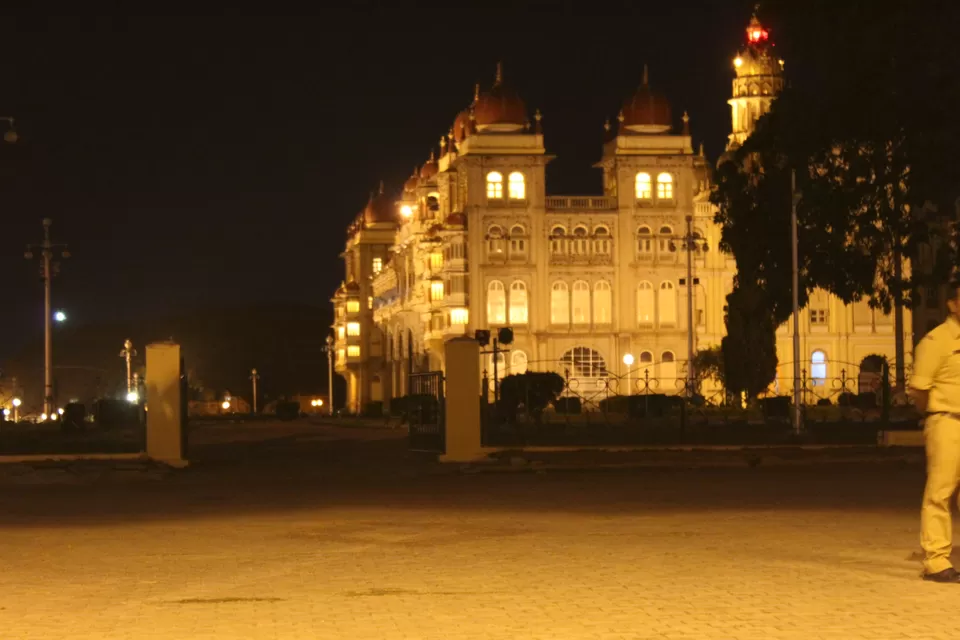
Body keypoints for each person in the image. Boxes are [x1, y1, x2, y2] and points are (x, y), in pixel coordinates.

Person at [912, 279, 960, 583]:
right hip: (947, 422)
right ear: (953, 304)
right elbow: (919, 389)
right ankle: (937, 560)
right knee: (940, 493)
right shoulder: (937, 341)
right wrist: (932, 414)